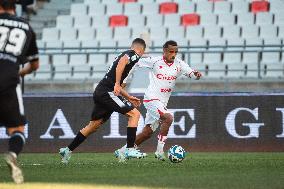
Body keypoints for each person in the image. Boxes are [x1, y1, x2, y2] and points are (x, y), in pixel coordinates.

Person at [59, 38, 147, 163]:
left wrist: (128, 96)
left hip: (102, 91)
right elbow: (123, 62)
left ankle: (67, 150)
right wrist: (117, 83)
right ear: (141, 50)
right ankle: (129, 149)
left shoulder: (123, 54)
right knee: (135, 114)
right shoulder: (133, 54)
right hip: (107, 93)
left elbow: (116, 81)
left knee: (93, 126)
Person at [115, 40, 202, 161]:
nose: (174, 54)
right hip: (151, 98)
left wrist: (196, 75)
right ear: (165, 51)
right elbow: (135, 62)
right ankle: (159, 151)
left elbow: (191, 73)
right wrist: (124, 79)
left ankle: (122, 151)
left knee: (147, 133)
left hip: (162, 102)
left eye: (176, 52)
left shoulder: (179, 64)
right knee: (169, 118)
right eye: (171, 51)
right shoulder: (155, 61)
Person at [0, 0, 39, 184]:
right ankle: (13, 154)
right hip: (9, 78)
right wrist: (20, 72)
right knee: (17, 129)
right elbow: (35, 64)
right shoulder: (26, 26)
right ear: (14, 7)